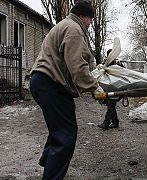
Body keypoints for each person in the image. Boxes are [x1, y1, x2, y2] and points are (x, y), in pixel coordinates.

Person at [29, 1, 106, 179]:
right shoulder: (74, 29)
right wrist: (95, 87)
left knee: (60, 126)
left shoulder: (65, 25)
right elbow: (77, 66)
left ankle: (48, 160)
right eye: (90, 18)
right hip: (51, 84)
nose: (91, 22)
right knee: (66, 134)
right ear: (81, 15)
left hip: (43, 82)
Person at [98, 49, 121, 130]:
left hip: (115, 88)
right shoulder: (105, 64)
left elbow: (123, 74)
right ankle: (115, 121)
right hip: (108, 88)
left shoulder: (118, 63)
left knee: (111, 105)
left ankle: (106, 122)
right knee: (110, 105)